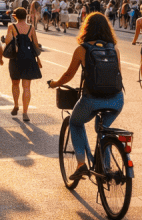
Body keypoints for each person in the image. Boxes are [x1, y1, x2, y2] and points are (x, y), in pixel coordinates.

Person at [46, 13, 124, 182]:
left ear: (86, 28)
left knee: (75, 122)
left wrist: (55, 84)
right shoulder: (114, 48)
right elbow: (118, 74)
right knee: (103, 130)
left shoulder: (82, 49)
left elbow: (68, 75)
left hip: (92, 99)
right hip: (117, 99)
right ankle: (106, 167)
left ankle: (81, 165)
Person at [4, 7, 41, 122]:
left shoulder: (12, 27)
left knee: (15, 83)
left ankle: (16, 105)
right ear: (26, 16)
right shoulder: (31, 28)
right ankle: (25, 113)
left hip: (16, 59)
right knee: (27, 87)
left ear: (15, 16)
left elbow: (7, 42)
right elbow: (35, 44)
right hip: (28, 58)